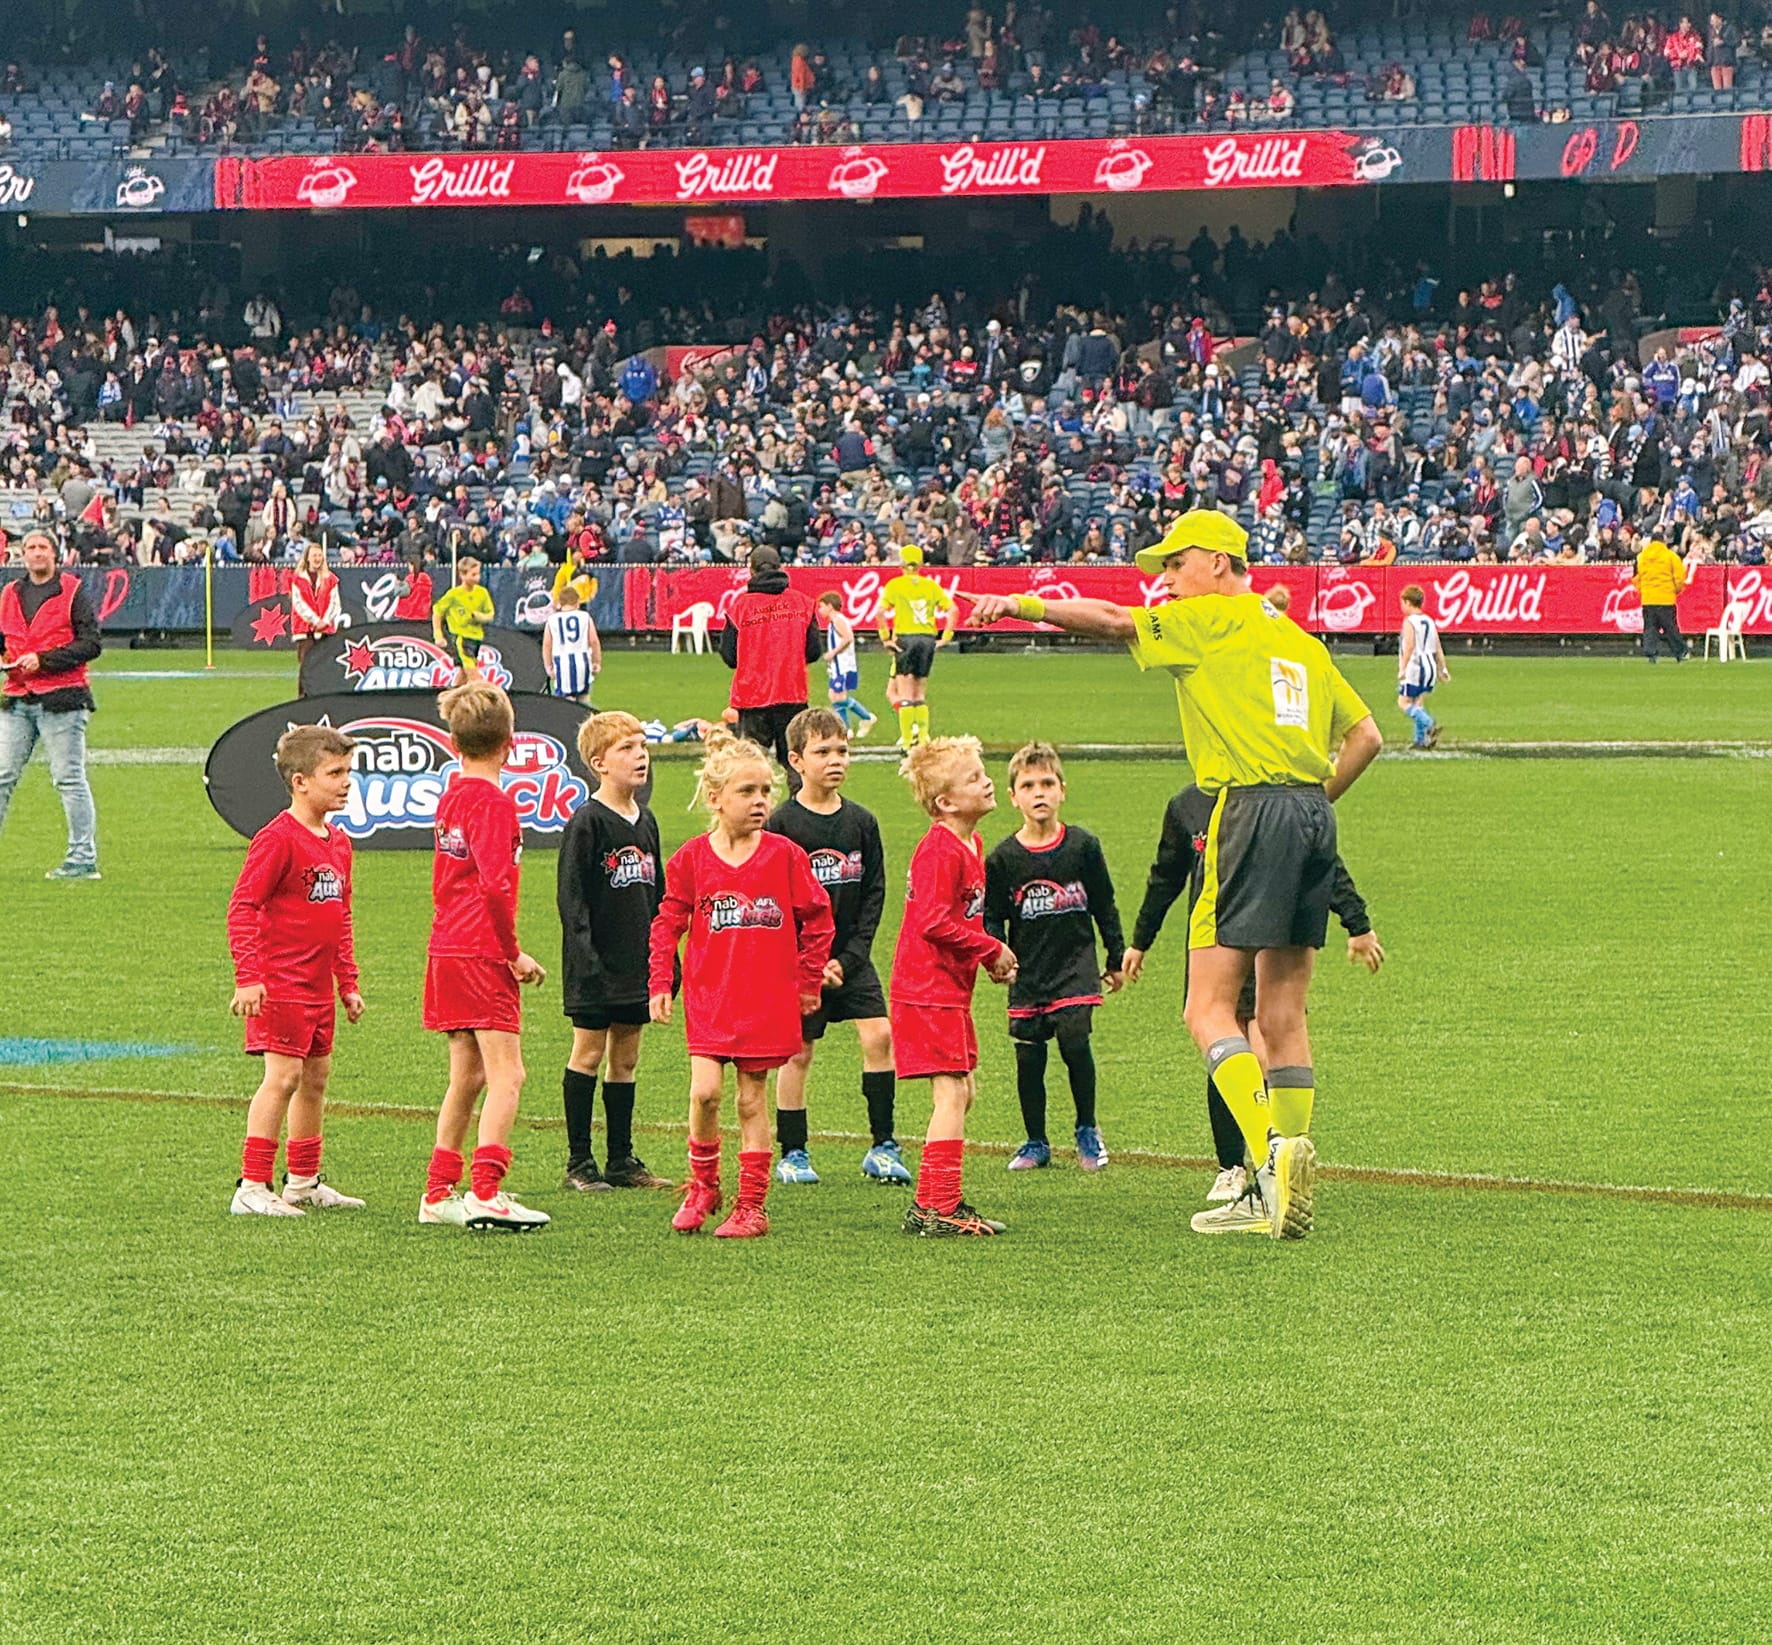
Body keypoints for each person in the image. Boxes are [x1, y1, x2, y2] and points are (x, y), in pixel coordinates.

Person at [971, 509, 1383, 1240]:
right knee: (1283, 1015)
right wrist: (1314, 802)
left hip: (1247, 812)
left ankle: (1270, 1158)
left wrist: (1020, 604)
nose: (1165, 578)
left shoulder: (1209, 619)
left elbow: (1111, 621)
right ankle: (1281, 1178)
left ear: (1218, 562)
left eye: (1175, 562)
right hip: (1312, 816)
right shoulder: (1300, 642)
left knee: (1207, 1008)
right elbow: (1367, 736)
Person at [1122, 783, 1383, 1205]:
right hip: (1215, 942)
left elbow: (1323, 864)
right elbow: (1165, 876)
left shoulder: (1267, 801)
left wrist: (1357, 921)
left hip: (1267, 941)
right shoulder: (1187, 806)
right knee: (1223, 1051)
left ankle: (1275, 1168)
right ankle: (1233, 1166)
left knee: (1260, 1046)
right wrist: (1140, 940)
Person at [647, 731, 834, 1238]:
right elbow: (668, 921)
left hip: (766, 1001)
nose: (759, 802)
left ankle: (751, 1206)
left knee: (751, 1101)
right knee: (705, 1093)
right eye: (746, 791)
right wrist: (661, 979)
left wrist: (808, 980)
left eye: (765, 791)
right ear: (715, 798)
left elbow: (818, 918)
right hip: (711, 998)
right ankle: (703, 1185)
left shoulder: (784, 855)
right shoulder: (692, 859)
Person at [418, 682, 551, 1232]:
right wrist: (512, 953)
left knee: (467, 1075)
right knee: (508, 1074)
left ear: (454, 743)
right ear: (510, 743)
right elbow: (496, 886)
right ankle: (487, 1192)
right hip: (479, 950)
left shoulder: (452, 796)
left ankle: (438, 1191)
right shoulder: (494, 805)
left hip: (446, 945)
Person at [225, 725, 366, 1217]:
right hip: (280, 983)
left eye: (348, 772)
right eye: (335, 773)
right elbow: (243, 906)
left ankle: (303, 1181)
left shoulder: (339, 843)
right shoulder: (277, 840)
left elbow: (340, 917)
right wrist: (249, 976)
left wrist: (347, 982)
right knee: (282, 1078)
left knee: (315, 1079)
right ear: (300, 782)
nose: (346, 782)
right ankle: (252, 1185)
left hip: (318, 987)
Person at [764, 707, 909, 1186]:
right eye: (822, 751)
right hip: (801, 963)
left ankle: (883, 1146)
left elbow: (874, 894)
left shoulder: (862, 822)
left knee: (879, 1036)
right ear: (796, 760)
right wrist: (807, 961)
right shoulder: (782, 825)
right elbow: (775, 903)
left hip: (851, 959)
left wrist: (850, 958)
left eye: (842, 751)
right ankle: (794, 1153)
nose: (835, 760)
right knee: (798, 1054)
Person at [892, 736, 1019, 1237]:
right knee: (950, 1093)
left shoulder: (971, 843)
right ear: (945, 802)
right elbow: (932, 922)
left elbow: (958, 918)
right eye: (973, 778)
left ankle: (929, 1203)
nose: (987, 782)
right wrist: (988, 947)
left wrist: (983, 958)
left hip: (946, 988)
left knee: (962, 1091)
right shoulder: (940, 850)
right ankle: (941, 1207)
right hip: (925, 989)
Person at [984, 741, 1125, 1173]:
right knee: (1029, 1055)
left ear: (1062, 789)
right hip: (1029, 970)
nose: (1039, 793)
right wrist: (996, 953)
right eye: (1028, 786)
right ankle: (1035, 1141)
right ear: (1014, 797)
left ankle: (1087, 1129)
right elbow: (992, 915)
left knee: (1074, 1036)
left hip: (1075, 965)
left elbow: (1104, 903)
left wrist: (1115, 956)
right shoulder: (1003, 858)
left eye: (1047, 783)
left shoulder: (1083, 846)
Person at [556, 711, 673, 1194]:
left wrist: (665, 958)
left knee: (626, 1058)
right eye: (627, 748)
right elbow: (572, 898)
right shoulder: (588, 822)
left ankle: (621, 1159)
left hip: (636, 963)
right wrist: (586, 958)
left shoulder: (646, 821)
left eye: (642, 746)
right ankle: (579, 1162)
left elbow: (659, 896)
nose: (640, 756)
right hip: (594, 964)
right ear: (599, 763)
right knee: (588, 1053)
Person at [0, 529, 103, 880]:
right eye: (30, 547)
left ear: (54, 554)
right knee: (2, 776)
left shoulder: (72, 590)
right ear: (23, 555)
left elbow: (91, 643)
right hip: (17, 695)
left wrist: (43, 660)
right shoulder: (10, 593)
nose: (36, 552)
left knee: (68, 779)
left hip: (63, 697)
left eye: (42, 546)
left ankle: (83, 858)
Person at [718, 545, 822, 777]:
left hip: (752, 697)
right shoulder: (803, 604)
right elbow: (814, 651)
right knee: (796, 764)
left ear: (751, 571)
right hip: (792, 693)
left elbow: (729, 656)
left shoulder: (739, 608)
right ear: (781, 567)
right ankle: (799, 801)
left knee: (752, 764)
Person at [876, 544, 956, 749]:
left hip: (905, 638)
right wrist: (946, 636)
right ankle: (922, 737)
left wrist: (885, 638)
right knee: (919, 694)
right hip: (927, 639)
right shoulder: (930, 586)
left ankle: (906, 741)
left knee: (905, 694)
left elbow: (880, 612)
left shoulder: (895, 585)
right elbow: (953, 610)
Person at [815, 590, 878, 737]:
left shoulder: (838, 620)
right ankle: (847, 729)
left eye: (821, 606)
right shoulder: (835, 621)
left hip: (843, 666)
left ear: (830, 606)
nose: (820, 610)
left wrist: (833, 653)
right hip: (839, 666)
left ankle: (865, 717)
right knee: (835, 696)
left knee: (838, 696)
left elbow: (848, 637)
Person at [1397, 584, 1450, 748]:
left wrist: (1402, 668)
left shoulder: (1409, 622)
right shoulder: (1429, 621)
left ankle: (1429, 723)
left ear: (1408, 602)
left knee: (1403, 702)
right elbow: (1438, 647)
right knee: (1418, 703)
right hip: (1430, 667)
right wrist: (1442, 668)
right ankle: (1419, 740)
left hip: (1415, 667)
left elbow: (1409, 646)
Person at [432, 556, 497, 681]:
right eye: (473, 575)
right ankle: (481, 691)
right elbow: (437, 611)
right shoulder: (454, 595)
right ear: (462, 575)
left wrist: (480, 617)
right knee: (473, 675)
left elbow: (490, 614)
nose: (477, 578)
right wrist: (438, 634)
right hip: (460, 638)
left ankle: (453, 692)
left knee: (463, 675)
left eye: (478, 574)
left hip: (476, 637)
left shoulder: (482, 593)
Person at [289, 541, 342, 686]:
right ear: (307, 558)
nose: (317, 558)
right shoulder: (298, 579)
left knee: (324, 664)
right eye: (314, 555)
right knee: (306, 664)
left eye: (319, 555)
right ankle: (304, 695)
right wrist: (314, 620)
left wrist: (325, 621)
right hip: (304, 628)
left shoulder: (330, 579)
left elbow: (335, 603)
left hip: (325, 629)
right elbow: (299, 603)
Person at [1634, 535, 1688, 663]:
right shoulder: (1671, 556)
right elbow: (1679, 578)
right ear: (1663, 542)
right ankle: (1680, 653)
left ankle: (1651, 654)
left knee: (1650, 628)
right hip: (1666, 599)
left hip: (1648, 599)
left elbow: (1636, 578)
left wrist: (1644, 591)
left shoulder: (1641, 557)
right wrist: (1675, 590)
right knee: (1670, 628)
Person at [543, 585, 601, 702]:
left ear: (560, 603)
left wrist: (548, 666)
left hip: (562, 665)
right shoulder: (585, 617)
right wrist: (596, 662)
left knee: (566, 703)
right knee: (584, 701)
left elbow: (547, 645)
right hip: (583, 663)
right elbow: (594, 641)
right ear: (577, 602)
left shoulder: (552, 620)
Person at [392, 552, 434, 621]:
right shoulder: (427, 578)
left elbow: (399, 592)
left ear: (413, 566)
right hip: (422, 614)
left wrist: (398, 583)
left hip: (407, 614)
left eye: (409, 565)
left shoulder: (410, 578)